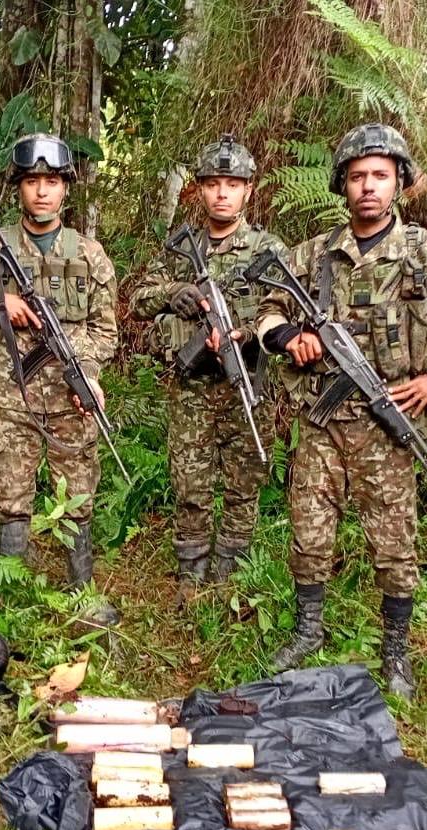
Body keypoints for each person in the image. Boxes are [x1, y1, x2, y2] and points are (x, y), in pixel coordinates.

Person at [255, 123, 427, 699]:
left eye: (380, 176)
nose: (368, 186)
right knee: (309, 531)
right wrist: (289, 338)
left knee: (394, 541)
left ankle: (395, 648)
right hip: (321, 421)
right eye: (358, 176)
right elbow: (265, 311)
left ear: (399, 183)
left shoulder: (425, 253)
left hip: (390, 424)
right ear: (342, 184)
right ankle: (308, 629)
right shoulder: (313, 254)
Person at [0, 133, 120, 624]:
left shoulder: (89, 253)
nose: (42, 191)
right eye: (31, 181)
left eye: (52, 182)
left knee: (78, 491)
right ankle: (11, 601)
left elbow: (106, 330)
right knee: (10, 494)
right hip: (12, 393)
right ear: (18, 187)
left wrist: (87, 372)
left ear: (66, 187)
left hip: (72, 395)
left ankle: (81, 592)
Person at [130, 135, 290, 602]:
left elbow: (287, 310)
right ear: (199, 190)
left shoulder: (267, 249)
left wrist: (246, 333)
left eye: (233, 184)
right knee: (190, 483)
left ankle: (230, 573)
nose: (222, 193)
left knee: (245, 483)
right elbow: (138, 300)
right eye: (213, 184)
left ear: (248, 190)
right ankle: (191, 572)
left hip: (248, 385)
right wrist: (173, 293)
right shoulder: (181, 248)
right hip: (192, 390)